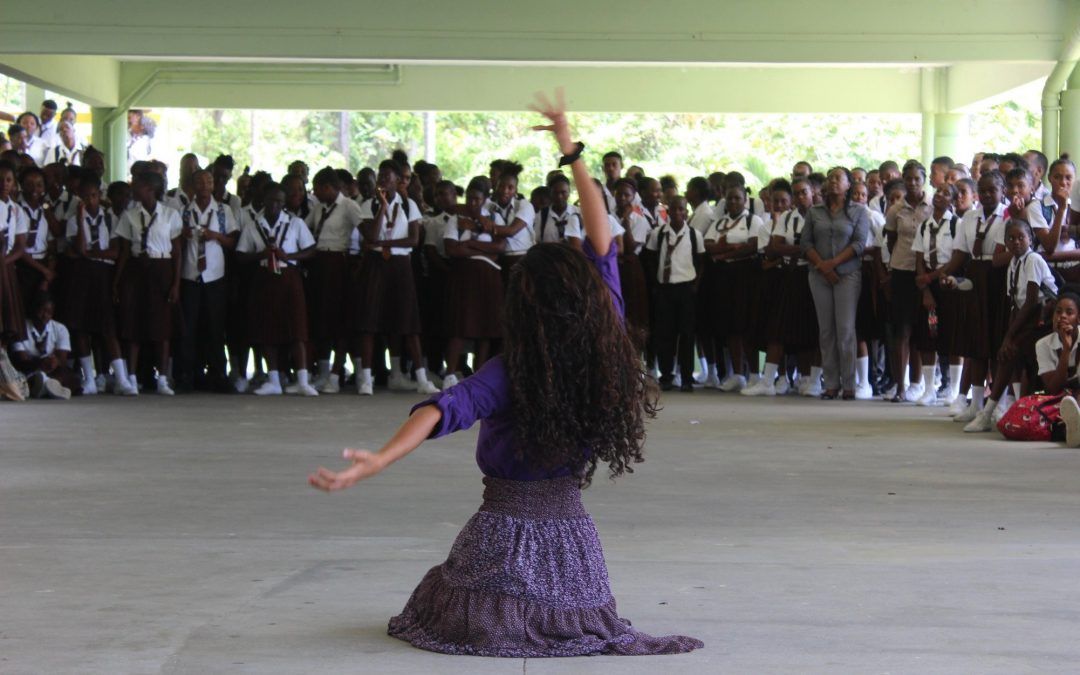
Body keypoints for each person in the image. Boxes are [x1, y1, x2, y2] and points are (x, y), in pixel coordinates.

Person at [308, 89, 703, 657]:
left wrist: (382, 458)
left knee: (446, 611)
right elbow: (601, 239)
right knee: (563, 614)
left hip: (500, 540)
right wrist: (570, 147)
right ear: (584, 297)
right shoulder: (606, 335)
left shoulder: (513, 369)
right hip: (573, 547)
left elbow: (444, 409)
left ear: (523, 306)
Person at [353, 159, 439, 396]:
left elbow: (413, 240)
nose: (382, 181)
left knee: (409, 322)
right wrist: (381, 207)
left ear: (397, 181)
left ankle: (421, 378)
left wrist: (383, 242)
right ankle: (366, 380)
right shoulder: (367, 205)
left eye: (387, 178)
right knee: (369, 322)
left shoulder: (409, 204)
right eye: (380, 177)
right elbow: (370, 235)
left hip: (400, 264)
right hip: (376, 264)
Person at [965, 219, 1057, 432]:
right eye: (1011, 238)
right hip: (1025, 318)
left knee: (1009, 353)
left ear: (1030, 239)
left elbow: (1032, 301)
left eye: (1021, 237)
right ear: (1005, 242)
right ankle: (1014, 408)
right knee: (1008, 352)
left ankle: (988, 412)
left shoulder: (1032, 259)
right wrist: (1008, 335)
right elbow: (1014, 303)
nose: (1016, 242)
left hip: (1042, 319)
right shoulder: (1014, 263)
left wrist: (1009, 338)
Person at [235, 182, 318, 396]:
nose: (275, 205)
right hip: (264, 277)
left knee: (298, 328)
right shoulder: (254, 225)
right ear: (264, 201)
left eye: (280, 201)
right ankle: (273, 380)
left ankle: (302, 379)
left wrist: (289, 256)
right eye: (271, 200)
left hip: (289, 276)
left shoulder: (295, 223)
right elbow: (241, 255)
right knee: (267, 329)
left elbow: (310, 250)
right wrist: (259, 255)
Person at [801, 167, 871, 399]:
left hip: (847, 275)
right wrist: (822, 265)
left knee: (845, 330)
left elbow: (859, 244)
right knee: (826, 330)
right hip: (819, 275)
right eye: (830, 178)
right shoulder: (814, 211)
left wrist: (833, 264)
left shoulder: (859, 211)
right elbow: (806, 243)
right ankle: (831, 383)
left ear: (848, 184)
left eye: (838, 178)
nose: (832, 182)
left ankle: (849, 385)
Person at [114, 171, 183, 396]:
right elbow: (124, 252)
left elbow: (177, 253)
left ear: (151, 190)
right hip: (136, 269)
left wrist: (175, 284)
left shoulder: (170, 215)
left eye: (139, 186)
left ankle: (162, 378)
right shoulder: (129, 215)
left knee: (162, 327)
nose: (134, 190)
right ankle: (132, 379)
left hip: (161, 269)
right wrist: (118, 281)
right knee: (134, 326)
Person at [64, 176, 130, 395]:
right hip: (82, 275)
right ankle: (89, 378)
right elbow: (80, 247)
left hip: (103, 273)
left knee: (108, 327)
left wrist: (91, 254)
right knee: (81, 326)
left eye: (93, 196)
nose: (89, 200)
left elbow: (114, 251)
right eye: (84, 197)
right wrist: (81, 217)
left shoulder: (110, 219)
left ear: (99, 196)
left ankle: (121, 378)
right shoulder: (74, 220)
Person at [175, 169, 239, 393]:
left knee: (215, 327)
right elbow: (175, 244)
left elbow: (233, 243)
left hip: (215, 276)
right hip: (190, 275)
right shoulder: (183, 211)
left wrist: (216, 236)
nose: (204, 186)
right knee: (189, 327)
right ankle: (188, 374)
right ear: (192, 186)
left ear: (213, 186)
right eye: (199, 182)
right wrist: (182, 234)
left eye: (208, 181)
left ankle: (218, 374)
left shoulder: (223, 211)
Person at [305, 167, 364, 394]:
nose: (315, 193)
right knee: (323, 320)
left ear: (328, 188)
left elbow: (365, 231)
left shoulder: (349, 206)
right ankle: (324, 372)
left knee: (340, 321)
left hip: (338, 264)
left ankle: (337, 374)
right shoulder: (319, 207)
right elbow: (306, 226)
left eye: (318, 189)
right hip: (320, 263)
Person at [441, 180, 506, 386]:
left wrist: (469, 243)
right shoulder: (456, 220)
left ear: (485, 200)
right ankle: (450, 373)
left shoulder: (495, 218)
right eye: (469, 198)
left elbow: (500, 246)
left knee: (485, 328)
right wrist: (484, 250)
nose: (472, 203)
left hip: (489, 278)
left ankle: (479, 373)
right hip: (465, 277)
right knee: (461, 324)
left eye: (477, 199)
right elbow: (452, 249)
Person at [644, 195, 704, 392]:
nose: (678, 213)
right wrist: (656, 284)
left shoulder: (695, 235)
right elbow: (650, 259)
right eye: (675, 209)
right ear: (668, 212)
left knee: (687, 334)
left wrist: (695, 285)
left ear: (687, 213)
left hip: (686, 288)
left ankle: (686, 377)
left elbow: (700, 262)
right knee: (665, 333)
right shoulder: (658, 234)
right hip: (665, 288)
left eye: (682, 210)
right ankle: (667, 375)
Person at [884, 161, 932, 402]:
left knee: (923, 330)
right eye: (909, 178)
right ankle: (900, 386)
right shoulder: (896, 210)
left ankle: (919, 384)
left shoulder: (932, 207)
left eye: (917, 178)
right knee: (901, 330)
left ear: (924, 180)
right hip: (902, 270)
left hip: (925, 272)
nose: (912, 182)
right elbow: (891, 240)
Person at [10, 292, 77, 399]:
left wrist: (55, 362)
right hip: (30, 370)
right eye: (42, 311)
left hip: (52, 371)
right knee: (25, 377)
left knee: (67, 374)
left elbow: (62, 359)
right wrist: (40, 363)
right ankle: (50, 387)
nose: (45, 315)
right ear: (34, 310)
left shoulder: (60, 329)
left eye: (49, 312)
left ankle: (45, 386)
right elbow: (21, 360)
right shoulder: (21, 328)